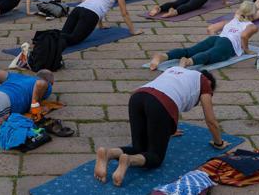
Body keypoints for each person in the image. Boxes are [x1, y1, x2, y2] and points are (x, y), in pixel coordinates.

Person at [93, 67, 225, 186]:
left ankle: (108, 153)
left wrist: (167, 129)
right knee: (155, 157)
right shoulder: (205, 83)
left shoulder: (176, 70)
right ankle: (129, 160)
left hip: (138, 97)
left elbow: (166, 91)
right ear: (210, 84)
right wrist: (219, 143)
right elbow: (210, 120)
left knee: (138, 147)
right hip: (160, 104)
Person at [149, 2, 259, 69]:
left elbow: (210, 28)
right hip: (227, 44)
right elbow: (244, 36)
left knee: (189, 50)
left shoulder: (230, 21)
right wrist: (247, 50)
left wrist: (214, 41)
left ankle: (163, 56)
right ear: (253, 14)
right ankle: (188, 62)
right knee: (209, 55)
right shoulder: (252, 26)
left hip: (216, 38)